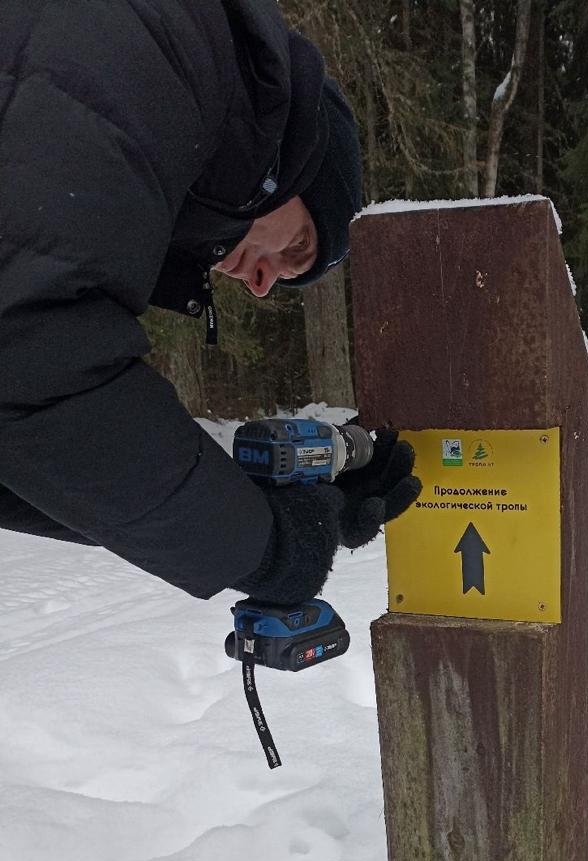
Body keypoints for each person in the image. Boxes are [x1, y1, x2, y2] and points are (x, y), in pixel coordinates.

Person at [0, 0, 420, 606]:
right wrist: (264, 546)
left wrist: (248, 499)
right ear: (297, 158)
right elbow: (31, 357)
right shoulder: (165, 46)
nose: (259, 284)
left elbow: (29, 448)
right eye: (296, 249)